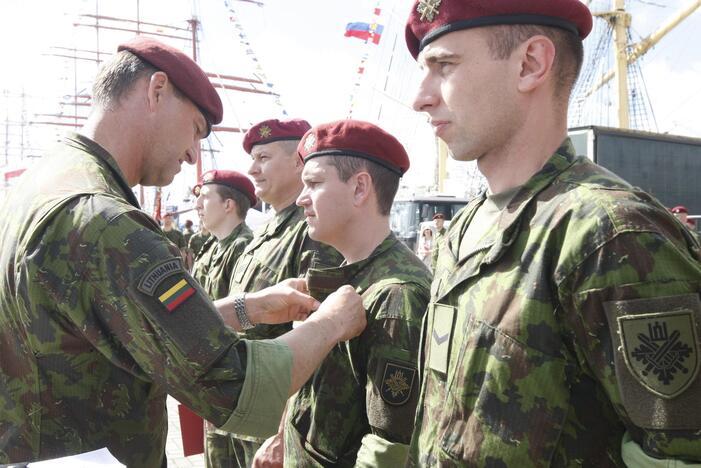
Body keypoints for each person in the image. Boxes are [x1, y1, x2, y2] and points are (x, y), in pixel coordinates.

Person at [0, 36, 366, 467]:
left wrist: (246, 308)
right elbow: (232, 383)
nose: (194, 151)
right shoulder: (106, 222)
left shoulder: (42, 184)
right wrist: (332, 321)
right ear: (156, 91)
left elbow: (117, 322)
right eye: (195, 128)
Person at [405, 0, 701, 466]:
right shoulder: (463, 229)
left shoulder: (610, 234)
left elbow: (680, 451)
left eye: (444, 66)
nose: (420, 96)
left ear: (530, 64)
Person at [254, 119, 432, 467]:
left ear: (360, 188)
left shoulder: (397, 294)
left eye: (315, 183)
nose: (302, 198)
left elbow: (389, 447)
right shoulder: (346, 276)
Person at [209, 119, 342, 468]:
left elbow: (319, 336)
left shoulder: (311, 231)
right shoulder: (265, 229)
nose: (253, 168)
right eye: (253, 158)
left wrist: (283, 432)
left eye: (264, 157)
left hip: (270, 418)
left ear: (298, 162)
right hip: (236, 406)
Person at [193, 169, 255, 299]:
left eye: (204, 197)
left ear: (227, 205)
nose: (197, 205)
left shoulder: (244, 247)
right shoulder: (212, 245)